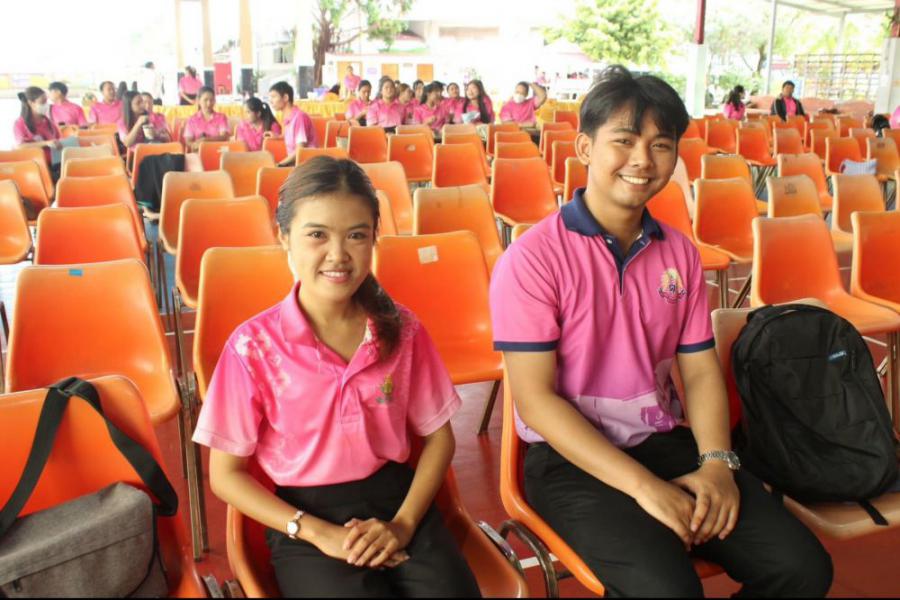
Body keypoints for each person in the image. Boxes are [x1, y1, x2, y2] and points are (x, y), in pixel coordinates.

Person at [489, 65, 833, 598]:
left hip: (661, 439)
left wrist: (717, 464)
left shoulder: (679, 254)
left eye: (661, 145)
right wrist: (644, 489)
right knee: (666, 590)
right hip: (569, 459)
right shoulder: (533, 258)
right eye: (624, 141)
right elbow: (535, 402)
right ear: (584, 147)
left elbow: (698, 371)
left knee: (802, 568)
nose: (642, 160)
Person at [192, 156, 482, 598]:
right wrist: (317, 533)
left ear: (374, 238)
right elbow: (225, 475)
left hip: (397, 501)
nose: (338, 255)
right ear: (284, 237)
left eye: (356, 235)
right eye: (317, 235)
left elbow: (439, 439)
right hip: (305, 517)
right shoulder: (253, 347)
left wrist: (403, 525)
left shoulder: (402, 330)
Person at [269, 81, 317, 167]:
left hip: (307, 166)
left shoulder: (299, 117)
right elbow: (290, 136)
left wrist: (280, 164)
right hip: (295, 164)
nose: (271, 101)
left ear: (285, 97)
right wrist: (277, 136)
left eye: (274, 97)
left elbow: (300, 150)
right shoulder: (287, 117)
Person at [182, 86, 230, 152]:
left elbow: (224, 137)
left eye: (211, 100)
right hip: (199, 152)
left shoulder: (221, 117)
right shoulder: (192, 120)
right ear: (199, 101)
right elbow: (188, 141)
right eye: (205, 100)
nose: (209, 103)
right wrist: (195, 145)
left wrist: (206, 140)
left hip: (218, 151)